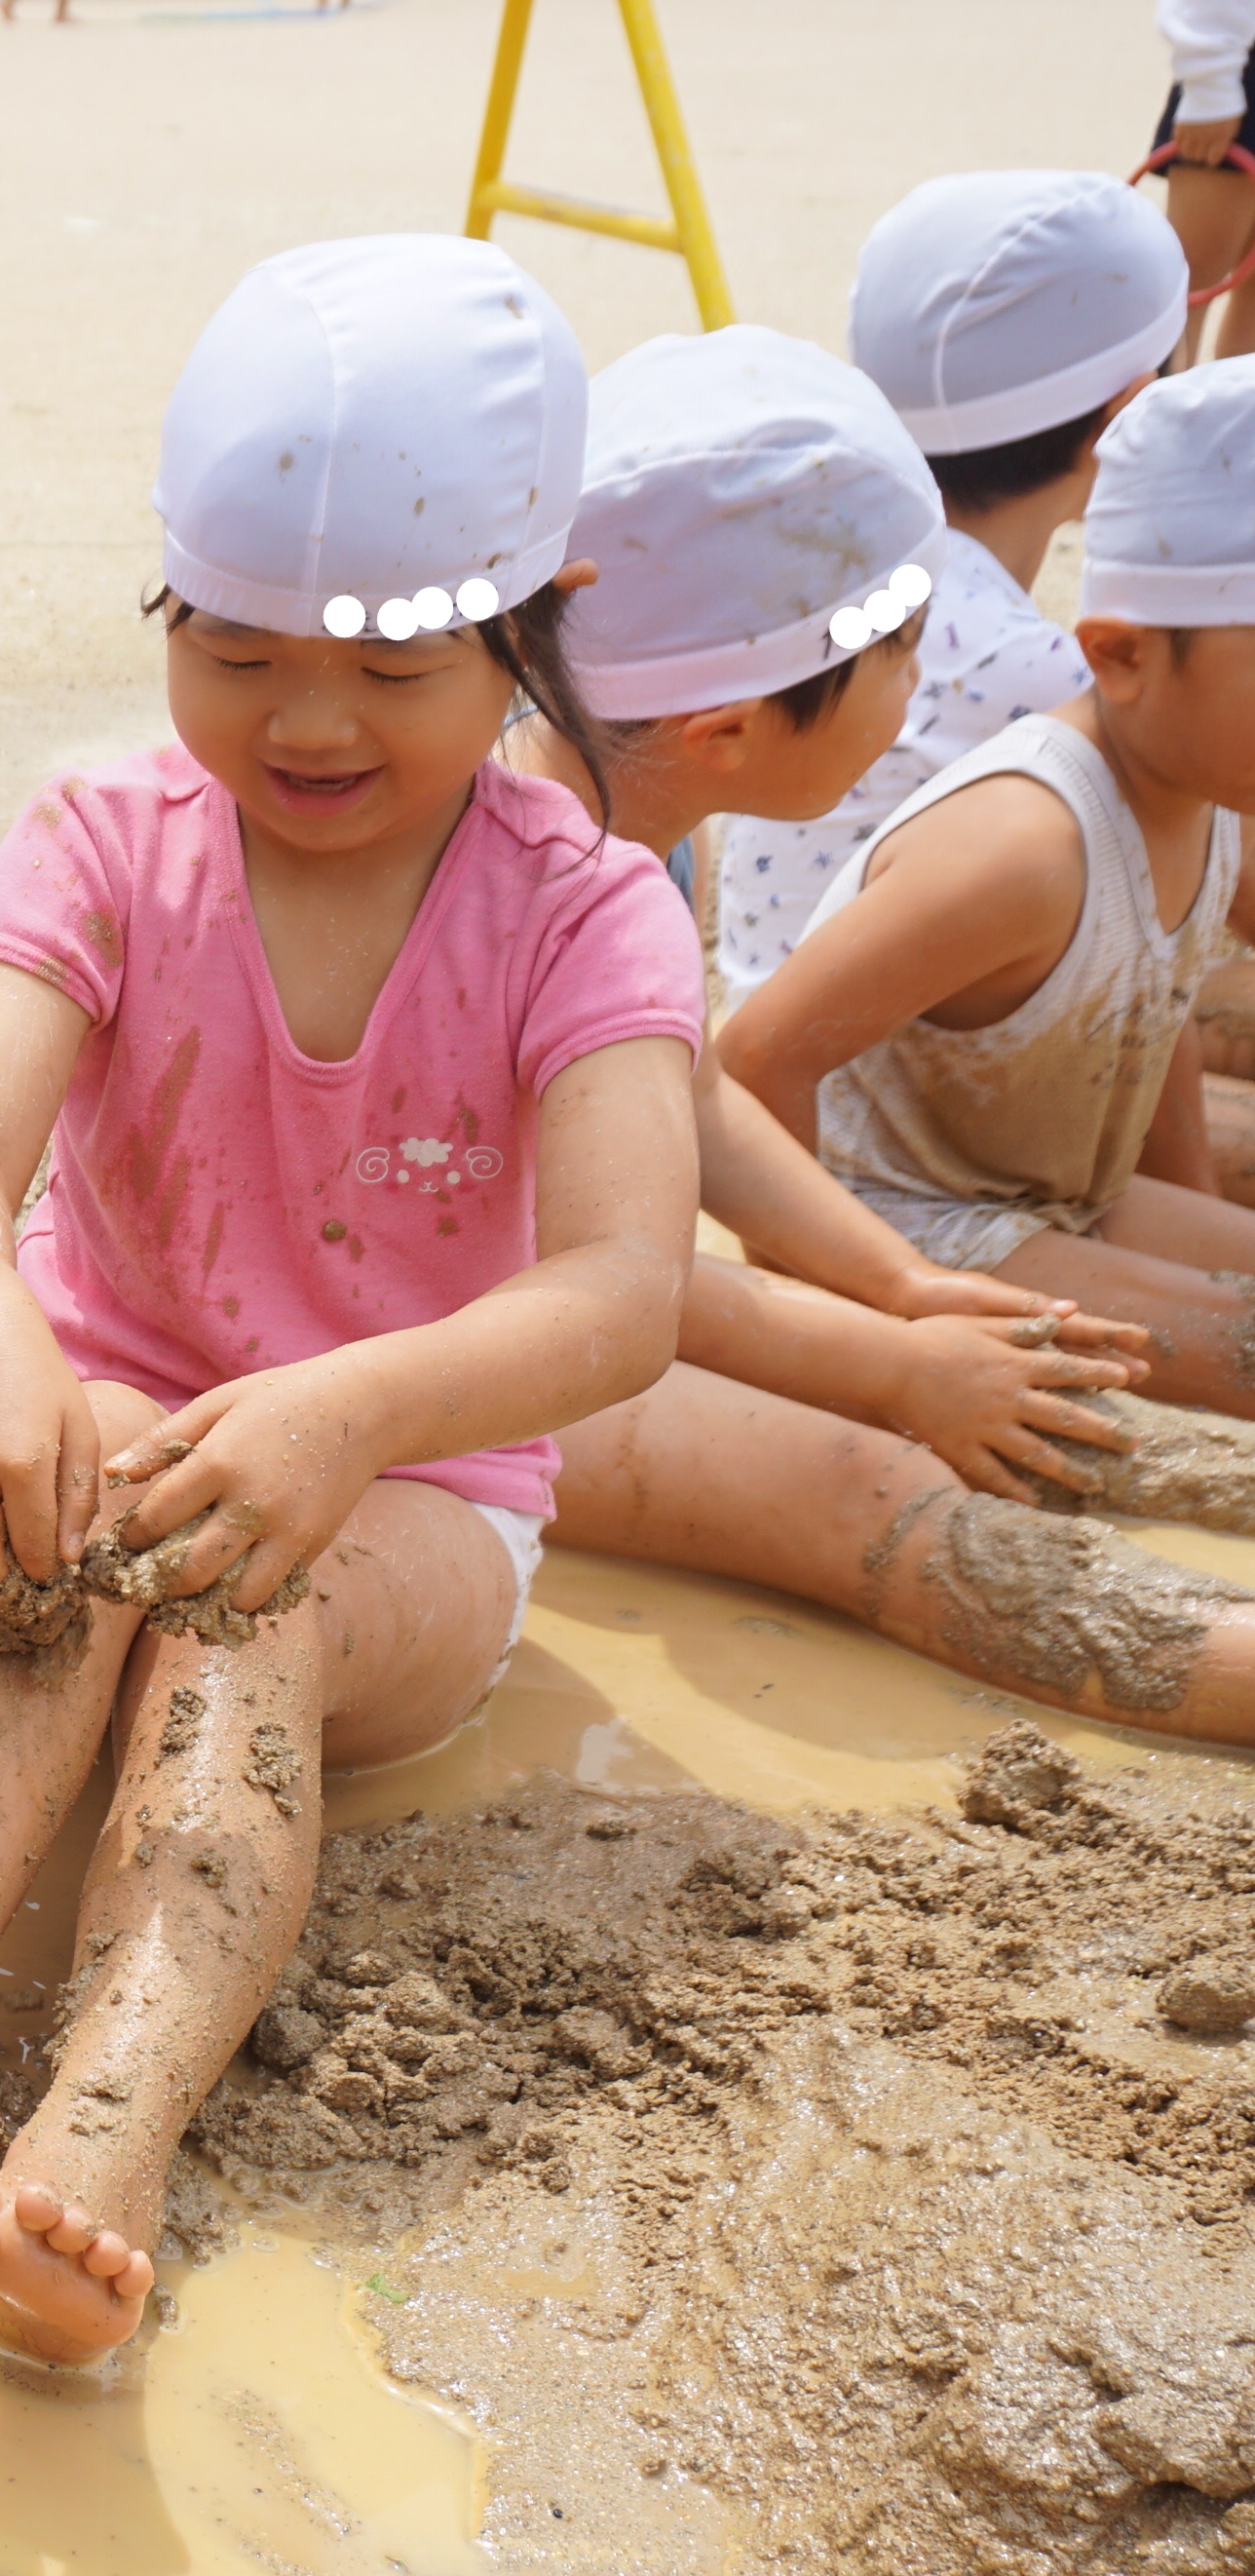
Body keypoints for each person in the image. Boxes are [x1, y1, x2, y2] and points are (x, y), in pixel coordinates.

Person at [0, 237, 705, 2360]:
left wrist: (343, 1415)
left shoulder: (586, 909)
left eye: (396, 673)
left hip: (412, 1501)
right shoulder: (100, 836)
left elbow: (626, 1290)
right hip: (106, 1436)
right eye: (232, 654)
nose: (308, 721)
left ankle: (104, 2132)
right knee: (27, 1596)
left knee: (241, 1608)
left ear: (539, 629)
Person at [512, 327, 1255, 1739]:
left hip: (545, 1315)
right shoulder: (549, 891)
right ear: (732, 730)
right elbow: (615, 1276)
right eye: (904, 650)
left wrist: (896, 1290)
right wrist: (889, 1359)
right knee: (865, 1490)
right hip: (458, 1356)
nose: (928, 690)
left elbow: (697, 1105)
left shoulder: (635, 842)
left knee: (984, 1412)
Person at [717, 360, 1255, 1420]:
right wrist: (829, 1316)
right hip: (909, 1220)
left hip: (1060, 1196)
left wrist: (1189, 1223)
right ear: (1122, 654)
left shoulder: (1209, 787)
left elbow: (1162, 1005)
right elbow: (747, 1064)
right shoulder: (1023, 848)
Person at [708, 172, 1182, 1002]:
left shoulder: (842, 561)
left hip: (773, 1027)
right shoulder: (1045, 674)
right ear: (1126, 418)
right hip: (871, 1105)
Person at [1159, 0, 1255, 362]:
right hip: (1236, 78)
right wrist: (1210, 84)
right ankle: (1158, 416)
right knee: (1187, 283)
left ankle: (1241, 416)